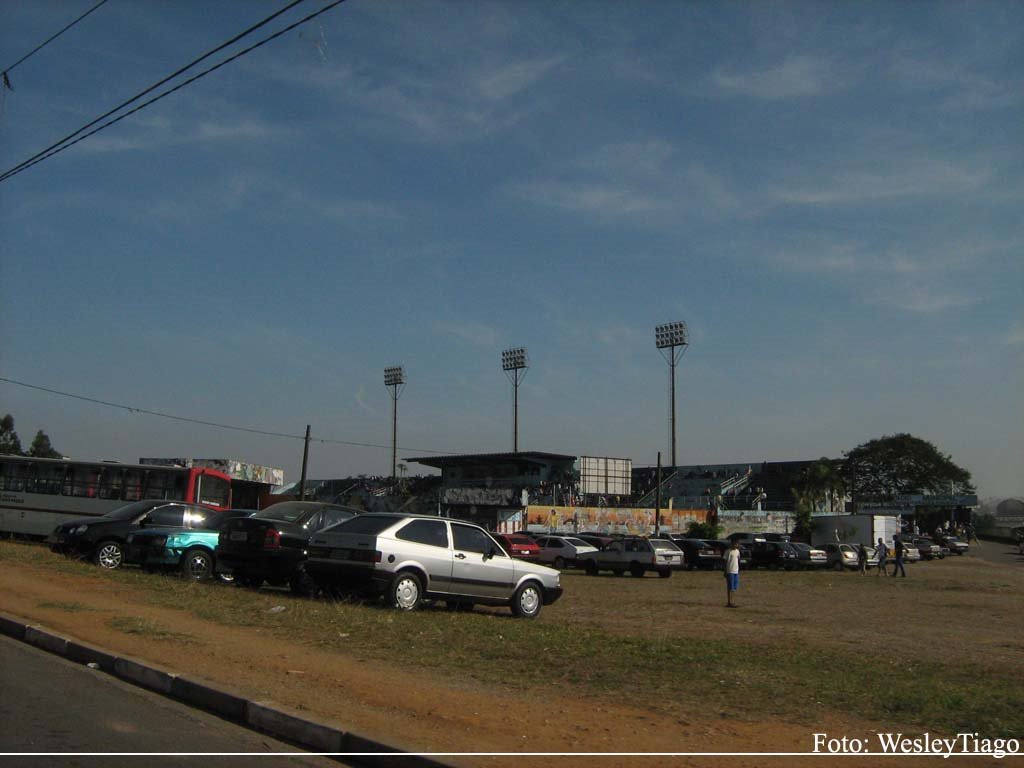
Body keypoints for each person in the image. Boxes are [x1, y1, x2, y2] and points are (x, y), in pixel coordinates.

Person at [724, 540, 740, 608]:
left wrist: (738, 569)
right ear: (731, 544)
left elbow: (738, 560)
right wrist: (725, 571)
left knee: (734, 588)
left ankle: (731, 601)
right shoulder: (728, 551)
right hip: (730, 571)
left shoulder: (737, 551)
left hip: (736, 571)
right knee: (730, 587)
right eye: (734, 544)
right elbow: (725, 561)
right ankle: (730, 602)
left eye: (736, 544)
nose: (735, 545)